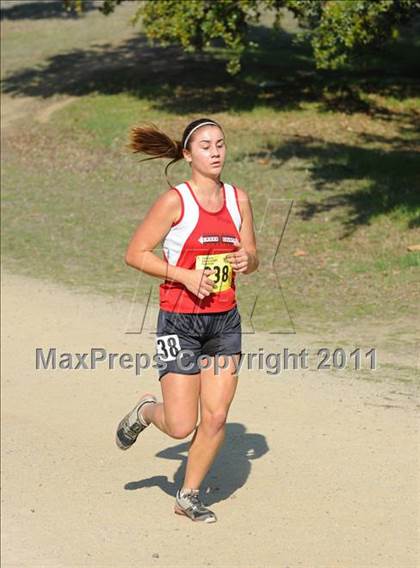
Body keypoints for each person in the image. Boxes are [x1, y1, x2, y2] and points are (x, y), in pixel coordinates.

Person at [115, 117, 259, 523]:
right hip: (180, 322)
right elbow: (136, 253)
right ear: (188, 154)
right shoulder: (175, 201)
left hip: (224, 322)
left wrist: (248, 261)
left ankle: (189, 496)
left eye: (221, 145)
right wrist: (183, 275)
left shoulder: (238, 199)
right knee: (180, 425)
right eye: (206, 146)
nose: (215, 152)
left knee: (215, 416)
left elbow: (252, 255)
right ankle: (146, 410)